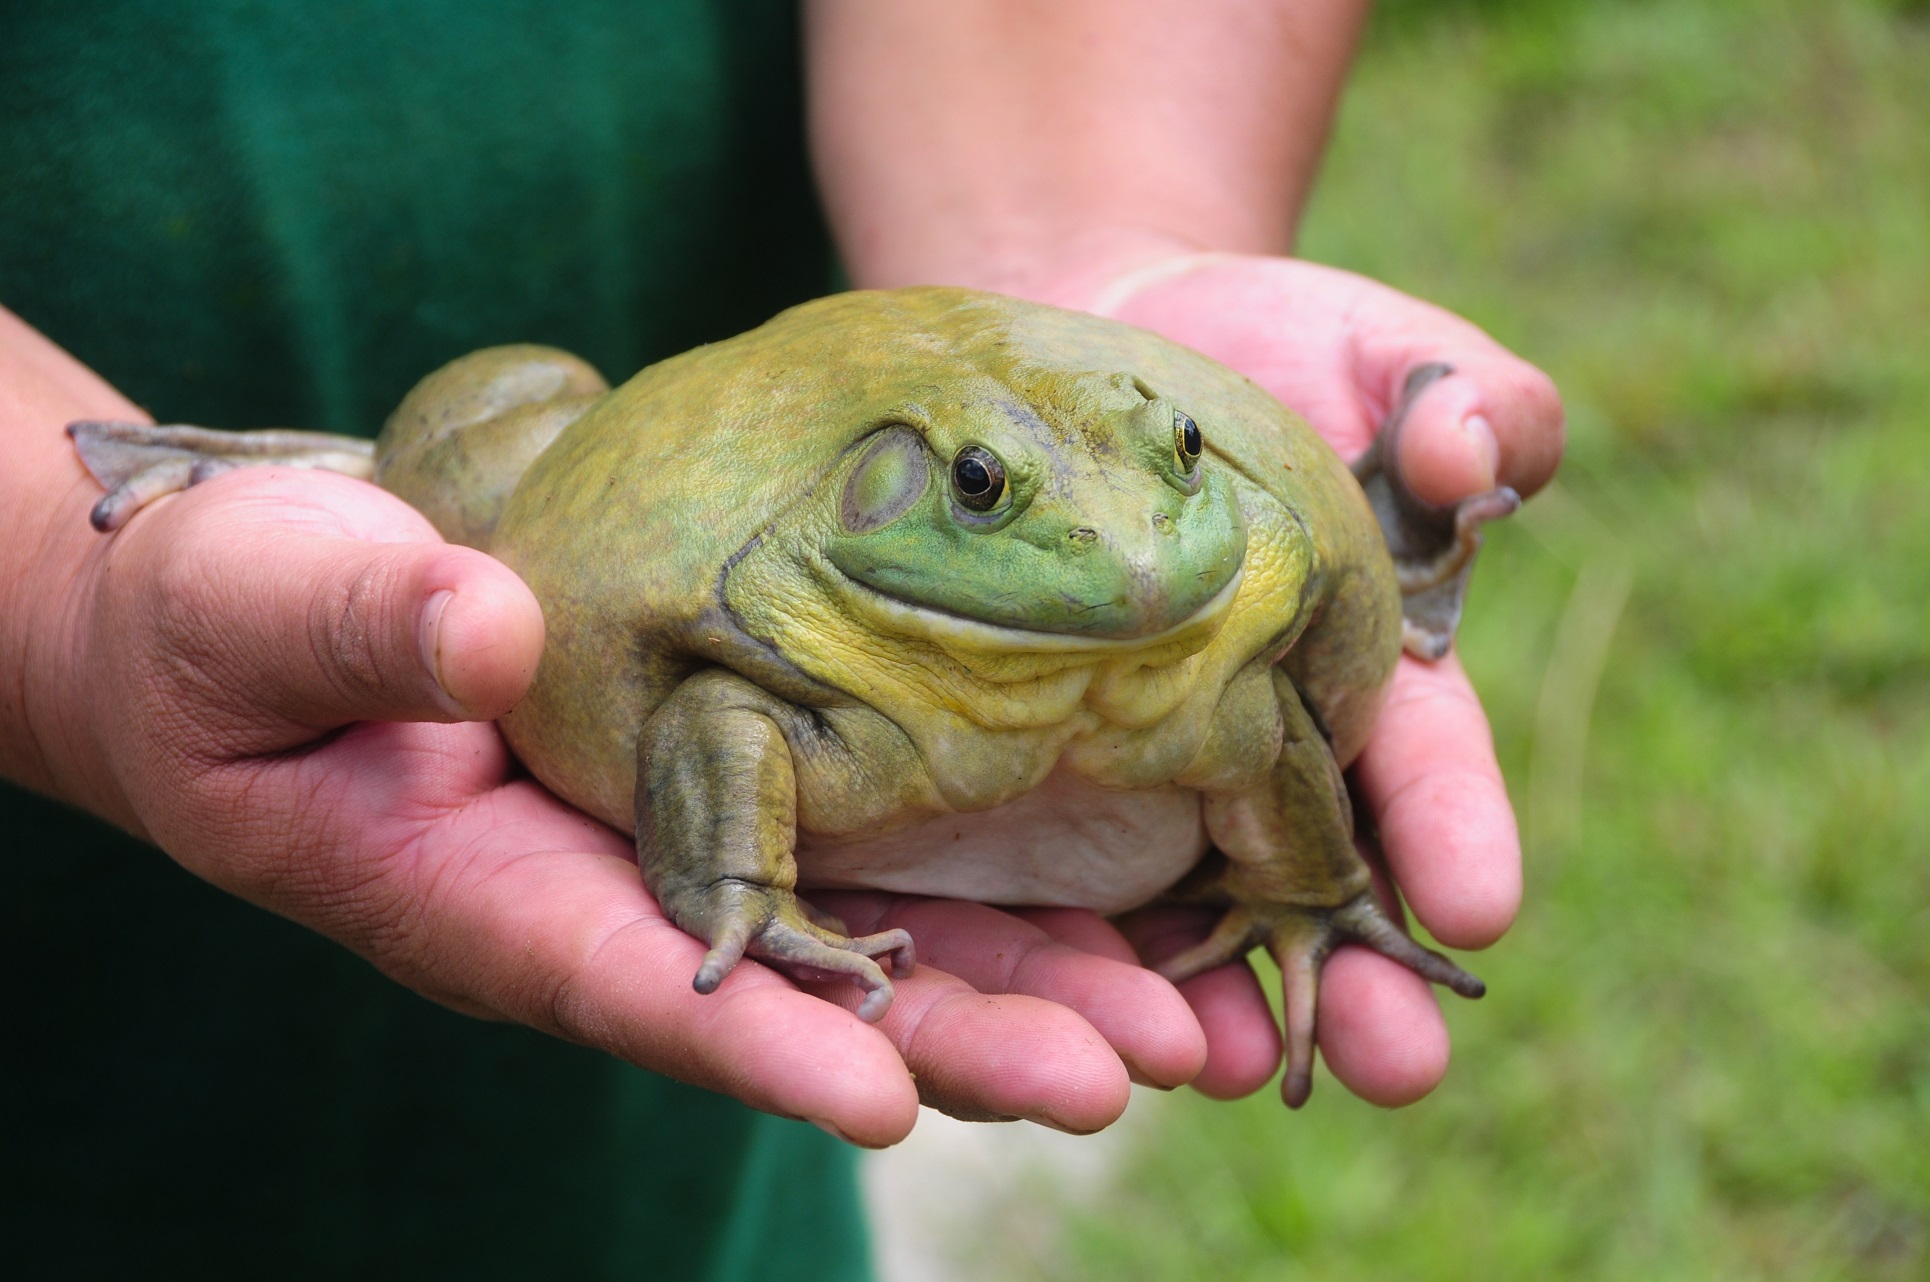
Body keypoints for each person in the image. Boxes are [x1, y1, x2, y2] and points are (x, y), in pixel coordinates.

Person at [0, 1, 1562, 1276]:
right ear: (911, 491)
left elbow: (1261, 727)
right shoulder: (795, 628)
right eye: (981, 498)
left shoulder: (1200, 644)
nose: (1136, 560)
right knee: (486, 445)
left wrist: (1305, 885)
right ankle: (322, 468)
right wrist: (52, 612)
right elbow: (715, 718)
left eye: (1175, 474)